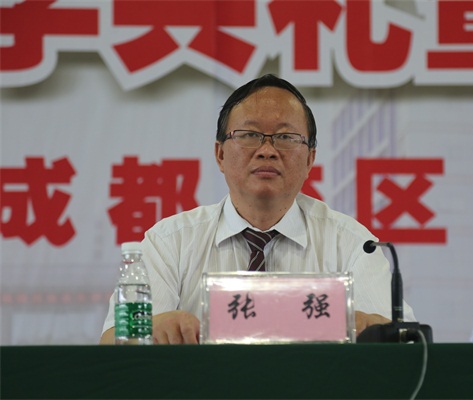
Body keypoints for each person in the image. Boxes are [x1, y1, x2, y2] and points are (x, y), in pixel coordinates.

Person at [100, 74, 416, 344]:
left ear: (310, 159)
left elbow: (404, 343)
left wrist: (372, 328)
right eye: (250, 135)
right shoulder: (170, 242)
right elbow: (112, 342)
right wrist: (153, 329)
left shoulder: (353, 244)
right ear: (220, 154)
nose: (267, 151)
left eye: (285, 137)